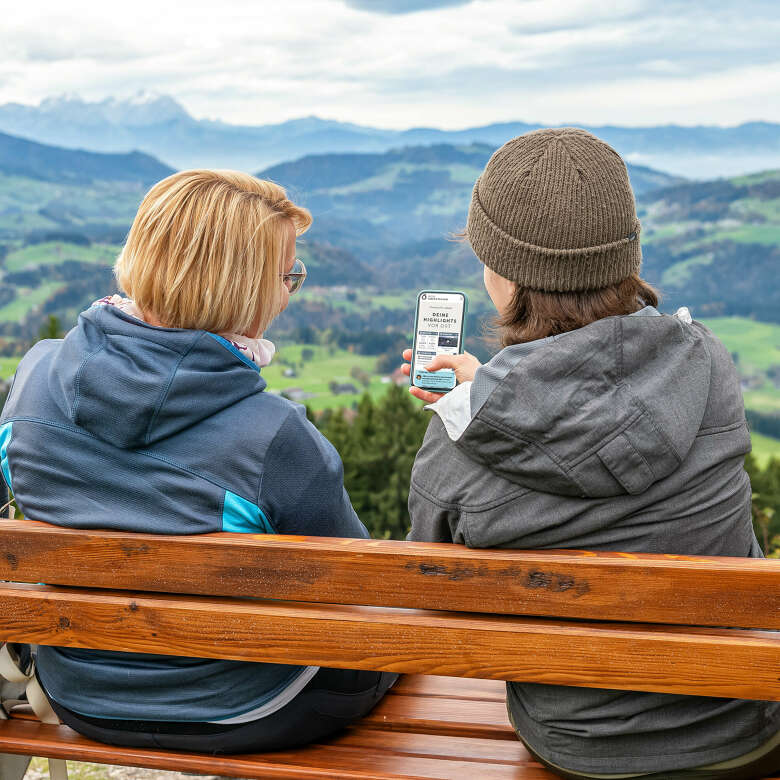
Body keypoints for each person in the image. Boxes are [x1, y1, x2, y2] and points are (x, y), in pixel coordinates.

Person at [401, 128, 780, 779]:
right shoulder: (708, 366)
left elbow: (433, 586)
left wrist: (469, 404)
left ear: (504, 275)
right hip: (744, 731)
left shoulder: (461, 437)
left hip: (579, 747)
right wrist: (483, 394)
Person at [0, 170, 395, 753]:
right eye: (290, 276)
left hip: (80, 694)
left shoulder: (33, 378)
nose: (291, 292)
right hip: (256, 707)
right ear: (246, 290)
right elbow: (357, 587)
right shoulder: (276, 435)